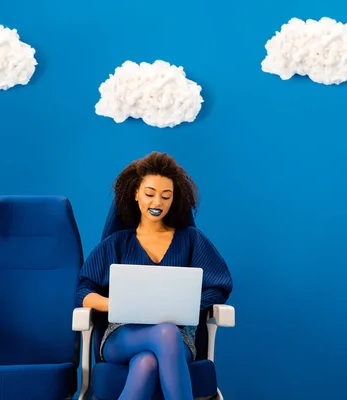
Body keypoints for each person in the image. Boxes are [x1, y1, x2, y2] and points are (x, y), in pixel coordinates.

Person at [75, 151, 233, 400]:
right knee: (165, 332)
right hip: (123, 336)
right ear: (136, 194)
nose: (157, 202)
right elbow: (83, 290)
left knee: (148, 360)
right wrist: (115, 304)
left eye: (165, 196)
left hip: (179, 338)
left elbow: (219, 286)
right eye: (149, 194)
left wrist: (184, 305)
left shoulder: (191, 240)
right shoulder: (116, 243)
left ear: (174, 200)